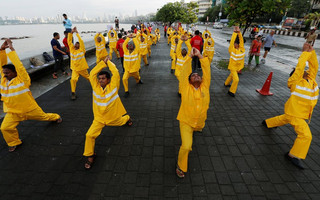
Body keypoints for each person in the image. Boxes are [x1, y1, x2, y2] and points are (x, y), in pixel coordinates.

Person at [262, 43, 318, 170]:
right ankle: (292, 155)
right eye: (303, 71)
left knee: (284, 118)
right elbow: (299, 67)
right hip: (296, 114)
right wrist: (305, 53)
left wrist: (312, 53)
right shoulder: (294, 82)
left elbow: (314, 67)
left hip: (297, 113)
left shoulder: (311, 80)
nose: (306, 71)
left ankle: (268, 123)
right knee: (306, 136)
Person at [0, 39, 62, 152]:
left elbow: (19, 66)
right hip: (13, 112)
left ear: (15, 73)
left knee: (45, 117)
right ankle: (14, 142)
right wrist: (2, 50)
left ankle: (56, 117)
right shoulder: (4, 81)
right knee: (5, 128)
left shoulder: (23, 79)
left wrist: (12, 49)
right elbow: (1, 66)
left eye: (7, 73)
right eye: (4, 73)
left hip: (30, 110)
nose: (5, 75)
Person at [83, 56, 132, 169]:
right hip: (99, 119)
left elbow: (115, 72)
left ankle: (127, 118)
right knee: (89, 135)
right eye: (99, 79)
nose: (100, 81)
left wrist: (108, 62)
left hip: (113, 118)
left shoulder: (114, 86)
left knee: (122, 121)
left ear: (108, 80)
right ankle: (90, 156)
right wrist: (101, 63)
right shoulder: (95, 87)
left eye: (103, 79)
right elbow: (91, 74)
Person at [175, 47, 210, 178]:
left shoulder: (205, 86)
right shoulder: (185, 88)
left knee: (199, 127)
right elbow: (184, 72)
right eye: (193, 75)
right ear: (189, 81)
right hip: (186, 121)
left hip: (200, 122)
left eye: (198, 75)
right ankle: (180, 165)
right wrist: (190, 56)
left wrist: (200, 56)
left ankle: (197, 129)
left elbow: (207, 71)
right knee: (187, 146)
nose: (196, 76)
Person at [68, 27, 90, 100]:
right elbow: (69, 41)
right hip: (75, 69)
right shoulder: (72, 50)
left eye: (77, 44)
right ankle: (73, 93)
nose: (75, 44)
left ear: (79, 46)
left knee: (89, 78)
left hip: (82, 68)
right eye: (75, 43)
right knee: (73, 80)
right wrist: (71, 33)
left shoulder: (82, 50)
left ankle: (96, 85)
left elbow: (81, 41)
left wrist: (77, 33)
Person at [224, 26, 245, 97]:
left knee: (231, 76)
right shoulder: (231, 50)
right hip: (233, 67)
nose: (237, 44)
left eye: (238, 43)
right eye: (235, 43)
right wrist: (235, 33)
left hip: (238, 67)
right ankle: (231, 91)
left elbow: (241, 40)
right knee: (236, 80)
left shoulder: (242, 49)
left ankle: (226, 83)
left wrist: (239, 32)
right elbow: (232, 41)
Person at [122, 34, 143, 98]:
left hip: (134, 70)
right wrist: (128, 38)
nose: (130, 46)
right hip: (127, 70)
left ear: (133, 47)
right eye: (129, 45)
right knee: (124, 79)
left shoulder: (136, 51)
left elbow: (137, 45)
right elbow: (124, 45)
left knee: (137, 77)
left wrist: (134, 38)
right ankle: (126, 91)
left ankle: (138, 80)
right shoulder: (125, 51)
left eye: (131, 45)